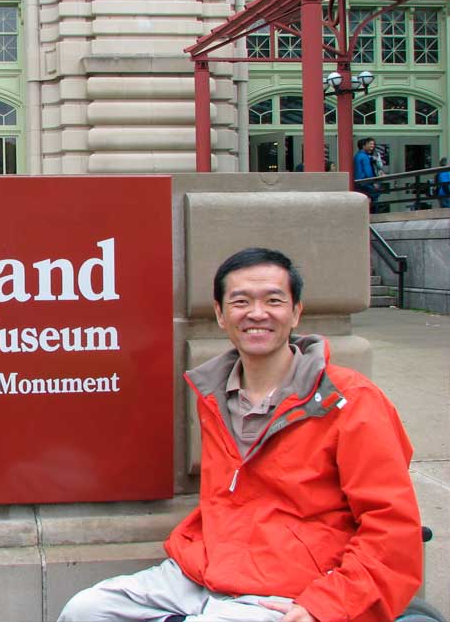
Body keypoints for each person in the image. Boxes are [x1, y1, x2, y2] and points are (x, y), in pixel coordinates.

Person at [58, 248, 423, 622]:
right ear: (220, 314)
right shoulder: (213, 395)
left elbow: (393, 529)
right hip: (204, 572)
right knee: (86, 611)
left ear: (296, 312)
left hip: (291, 587)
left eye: (274, 300)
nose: (257, 313)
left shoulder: (349, 401)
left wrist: (326, 607)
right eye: (240, 301)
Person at [354, 138, 383, 213]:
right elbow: (368, 172)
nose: (372, 146)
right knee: (375, 196)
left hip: (359, 182)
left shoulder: (358, 155)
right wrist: (373, 182)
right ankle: (375, 216)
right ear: (364, 145)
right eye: (370, 144)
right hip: (365, 182)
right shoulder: (364, 157)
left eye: (373, 144)